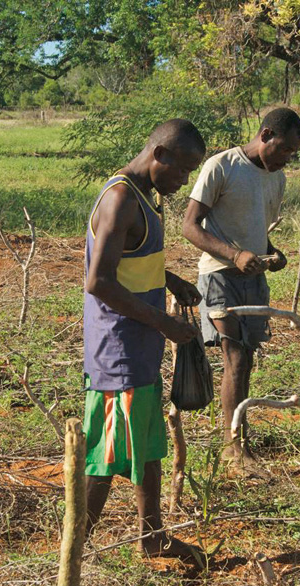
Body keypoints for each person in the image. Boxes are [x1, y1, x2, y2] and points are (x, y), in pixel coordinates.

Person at [83, 119, 205, 560]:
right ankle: (73, 550)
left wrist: (168, 279)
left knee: (147, 443)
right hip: (118, 351)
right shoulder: (120, 200)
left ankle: (151, 537)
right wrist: (162, 322)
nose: (185, 179)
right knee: (105, 454)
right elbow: (100, 281)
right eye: (182, 169)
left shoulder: (143, 196)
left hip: (139, 347)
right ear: (160, 155)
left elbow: (129, 262)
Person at [182, 107, 300, 473]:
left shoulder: (275, 179)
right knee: (235, 357)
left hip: (253, 278)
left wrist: (270, 253)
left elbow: (256, 229)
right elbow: (189, 226)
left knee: (246, 359)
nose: (286, 159)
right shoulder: (222, 166)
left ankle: (238, 435)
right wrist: (234, 255)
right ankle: (233, 447)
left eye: (293, 154)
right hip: (219, 275)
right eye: (283, 149)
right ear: (265, 135)